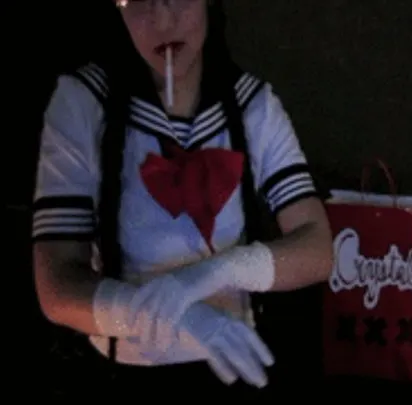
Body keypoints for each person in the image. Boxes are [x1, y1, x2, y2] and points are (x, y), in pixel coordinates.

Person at [32, 0, 333, 397]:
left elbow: (318, 248)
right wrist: (170, 316)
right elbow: (55, 285)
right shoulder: (83, 104)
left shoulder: (253, 106)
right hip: (121, 370)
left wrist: (219, 272)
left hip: (236, 360)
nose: (161, 18)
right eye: (136, 1)